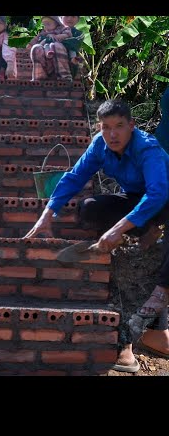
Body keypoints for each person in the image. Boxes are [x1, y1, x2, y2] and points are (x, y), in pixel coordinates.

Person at [24, 99, 169, 372]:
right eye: (105, 127)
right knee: (89, 208)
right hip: (137, 200)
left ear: (131, 126)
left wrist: (116, 229)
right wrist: (47, 213)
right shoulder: (100, 145)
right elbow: (74, 177)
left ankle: (160, 296)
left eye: (119, 127)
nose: (112, 134)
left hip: (164, 199)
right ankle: (141, 231)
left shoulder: (147, 147)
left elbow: (158, 194)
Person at [27, 16, 73, 81]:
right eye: (44, 25)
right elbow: (36, 38)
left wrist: (56, 37)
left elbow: (67, 34)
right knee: (36, 48)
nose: (46, 27)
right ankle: (40, 75)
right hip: (45, 49)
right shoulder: (44, 32)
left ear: (56, 23)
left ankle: (64, 75)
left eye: (48, 24)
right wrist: (30, 44)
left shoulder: (62, 28)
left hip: (57, 50)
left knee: (55, 45)